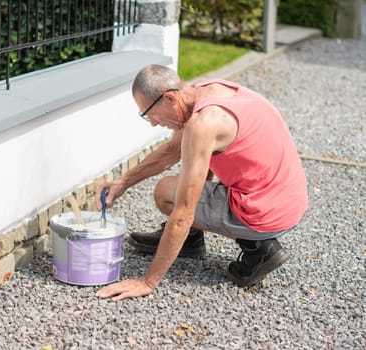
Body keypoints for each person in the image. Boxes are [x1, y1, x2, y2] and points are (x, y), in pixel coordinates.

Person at [95, 64, 308, 301]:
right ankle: (190, 241)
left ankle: (259, 249)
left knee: (165, 192)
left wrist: (147, 282)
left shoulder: (204, 124)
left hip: (266, 214)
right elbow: (171, 151)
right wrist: (123, 181)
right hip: (289, 199)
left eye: (149, 114)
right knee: (179, 185)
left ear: (170, 98)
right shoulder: (206, 91)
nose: (153, 123)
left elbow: (184, 213)